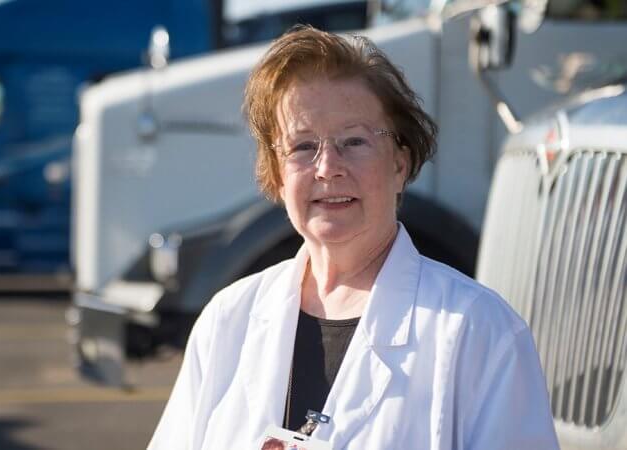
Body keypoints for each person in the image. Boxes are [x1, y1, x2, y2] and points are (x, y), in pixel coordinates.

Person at [148, 26, 559, 450]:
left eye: (354, 141)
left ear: (400, 164)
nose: (328, 167)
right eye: (303, 147)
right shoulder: (227, 320)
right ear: (277, 173)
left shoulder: (480, 332)